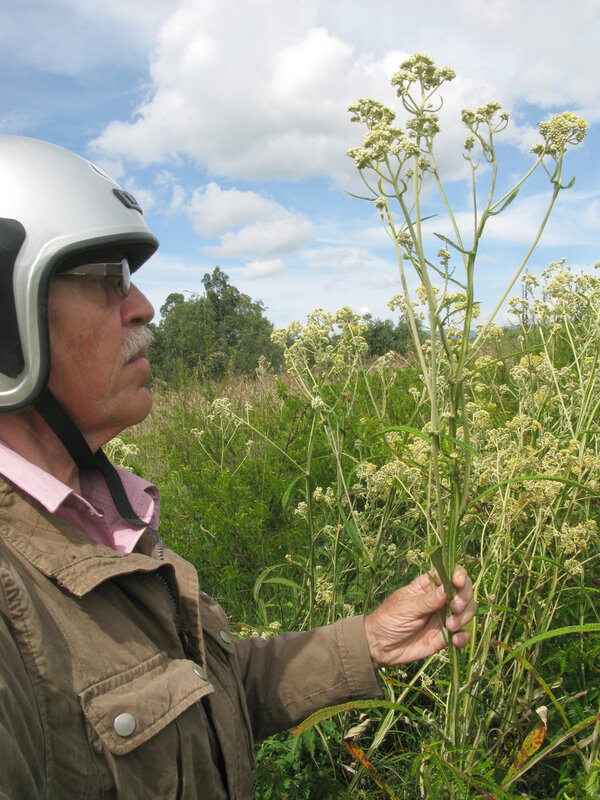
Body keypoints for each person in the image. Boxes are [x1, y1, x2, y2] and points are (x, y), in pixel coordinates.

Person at [0, 136, 476, 800]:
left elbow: (205, 693)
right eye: (108, 278)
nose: (143, 306)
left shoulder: (102, 514)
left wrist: (368, 642)